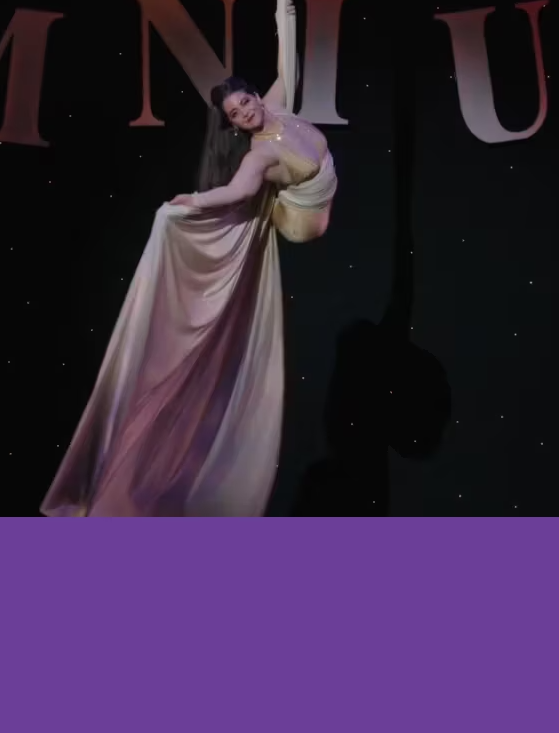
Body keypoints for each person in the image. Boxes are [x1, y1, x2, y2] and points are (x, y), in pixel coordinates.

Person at [42, 41, 338, 517]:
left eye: (245, 103)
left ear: (256, 97)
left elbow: (290, 68)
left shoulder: (277, 107)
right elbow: (236, 191)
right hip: (303, 220)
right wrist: (192, 202)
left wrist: (283, 16)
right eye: (235, 115)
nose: (244, 114)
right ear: (234, 125)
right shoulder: (259, 156)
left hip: (322, 190)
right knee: (236, 211)